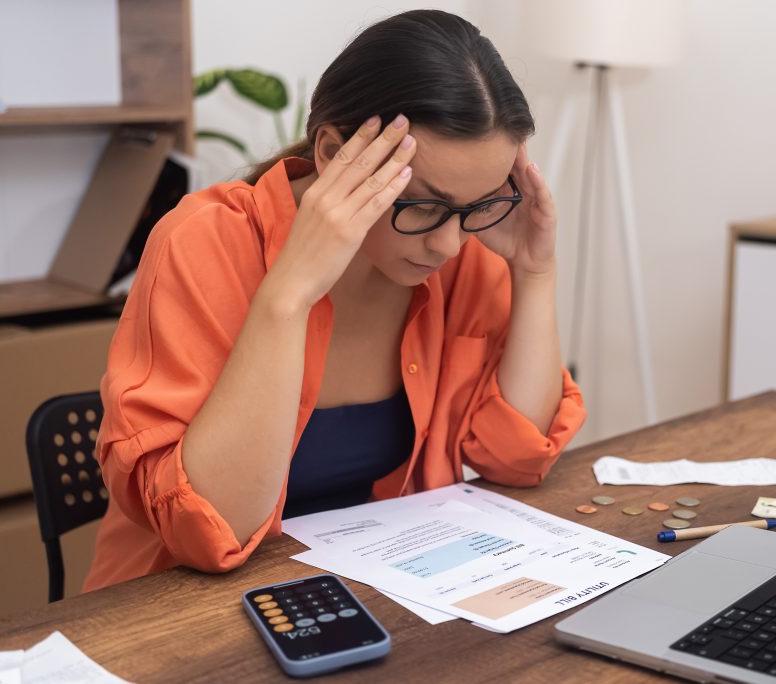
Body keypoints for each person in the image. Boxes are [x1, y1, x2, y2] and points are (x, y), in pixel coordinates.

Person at [83, 9, 586, 592]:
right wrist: (290, 293)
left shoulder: (461, 248)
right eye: (421, 203)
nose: (448, 243)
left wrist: (535, 270)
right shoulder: (205, 242)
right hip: (181, 611)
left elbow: (515, 457)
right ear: (331, 152)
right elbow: (212, 530)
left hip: (383, 588)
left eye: (477, 206)